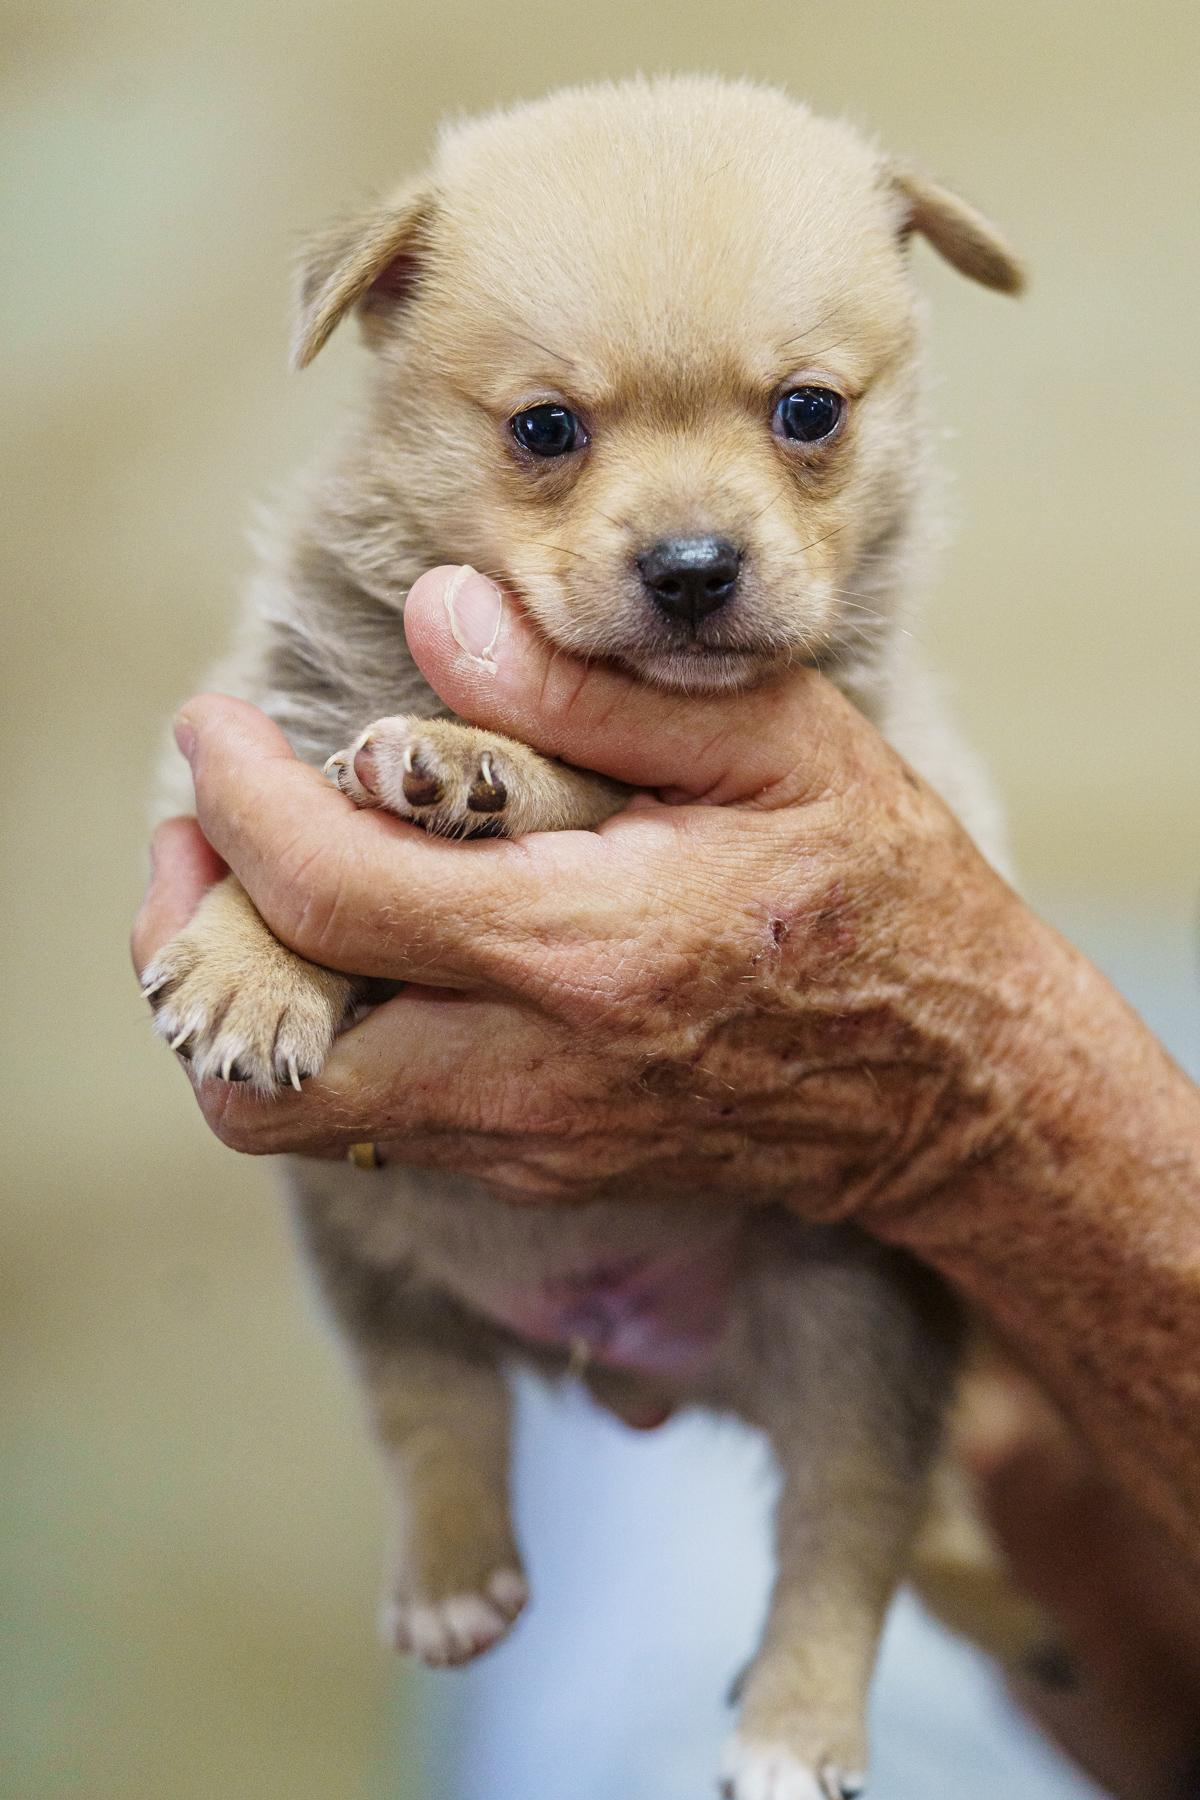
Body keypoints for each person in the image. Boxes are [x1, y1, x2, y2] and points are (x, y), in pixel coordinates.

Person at [133, 566, 1200, 1798]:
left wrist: (980, 1121)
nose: (693, 539)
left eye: (802, 420)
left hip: (768, 1306)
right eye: (548, 433)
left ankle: (830, 1644)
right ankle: (454, 1479)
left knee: (858, 1365)